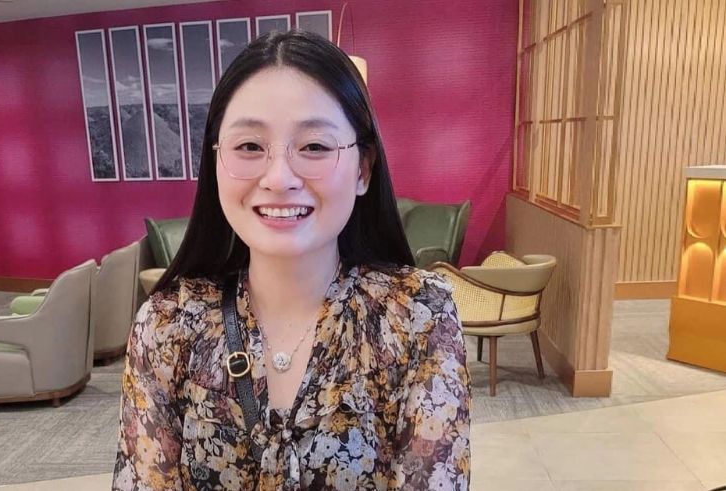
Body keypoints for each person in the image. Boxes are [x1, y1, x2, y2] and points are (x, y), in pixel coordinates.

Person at [113, 30, 470, 491]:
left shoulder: (418, 318)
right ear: (216, 162)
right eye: (249, 146)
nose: (279, 178)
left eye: (314, 146)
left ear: (363, 169)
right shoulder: (166, 327)